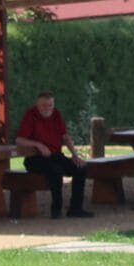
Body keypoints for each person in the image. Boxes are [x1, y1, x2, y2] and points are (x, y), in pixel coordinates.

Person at [15, 90, 92, 219]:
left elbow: (65, 136)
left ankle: (75, 208)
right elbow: (19, 140)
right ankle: (56, 209)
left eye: (50, 105)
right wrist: (38, 145)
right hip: (35, 158)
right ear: (38, 105)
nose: (47, 108)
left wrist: (75, 155)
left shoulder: (56, 114)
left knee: (80, 168)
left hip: (55, 155)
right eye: (44, 105)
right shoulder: (31, 115)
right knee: (56, 171)